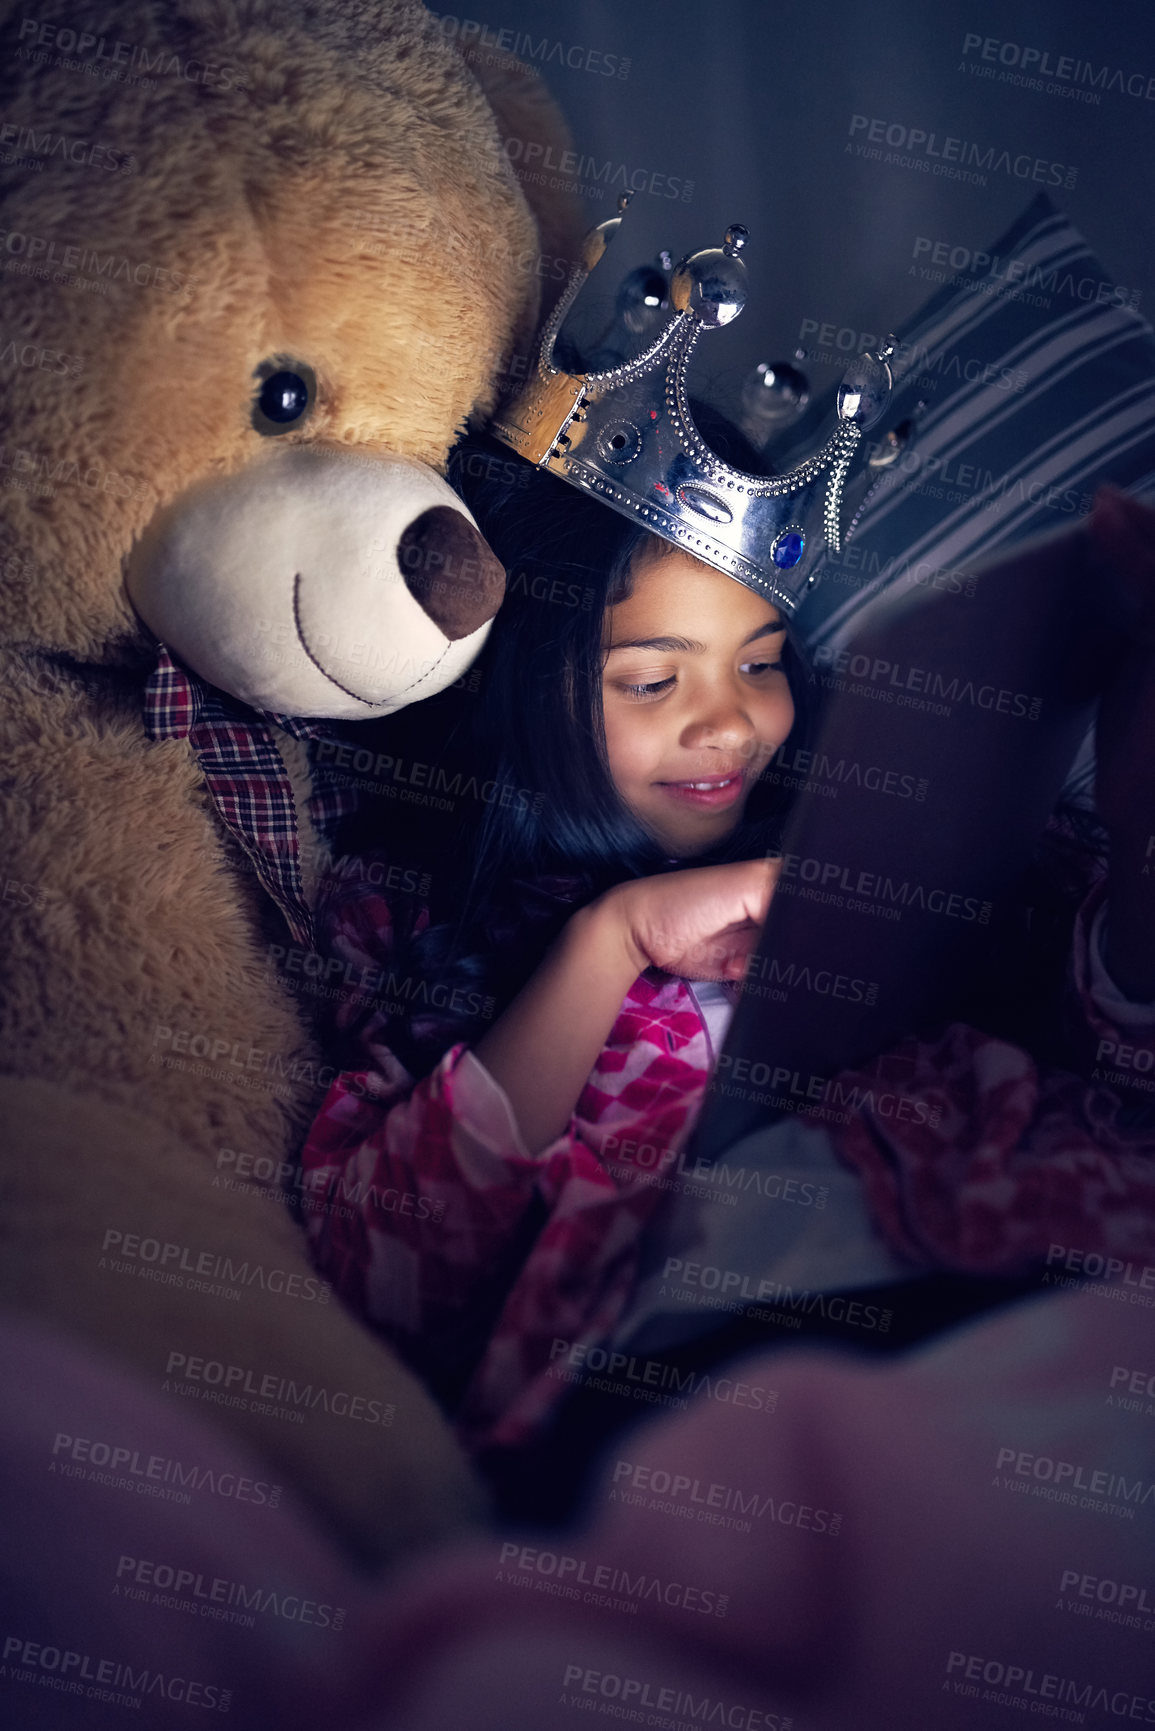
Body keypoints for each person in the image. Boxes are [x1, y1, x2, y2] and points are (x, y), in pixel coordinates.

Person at [298, 432, 1155, 1498]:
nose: (731, 723)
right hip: (705, 1398)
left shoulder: (879, 841)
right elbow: (384, 1283)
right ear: (526, 688)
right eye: (653, 681)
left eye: (761, 664)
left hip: (1043, 1301)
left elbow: (1116, 1063)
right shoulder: (418, 919)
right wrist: (611, 940)